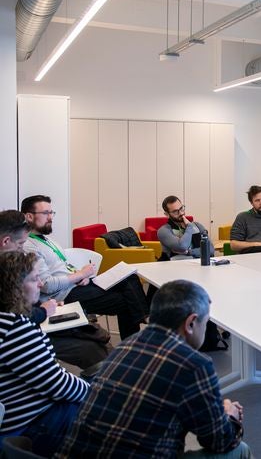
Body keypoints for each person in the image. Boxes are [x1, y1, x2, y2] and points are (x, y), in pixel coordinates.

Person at [56, 280, 250, 458]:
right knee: (240, 450)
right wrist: (229, 415)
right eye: (205, 323)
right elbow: (220, 441)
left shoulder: (125, 346)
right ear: (191, 323)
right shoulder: (194, 364)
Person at [21, 195, 149, 339]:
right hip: (63, 295)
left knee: (128, 277)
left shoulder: (48, 240)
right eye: (45, 213)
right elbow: (46, 285)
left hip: (75, 286)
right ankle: (144, 326)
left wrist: (81, 276)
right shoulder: (28, 246)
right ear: (29, 217)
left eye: (52, 213)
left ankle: (144, 320)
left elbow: (64, 267)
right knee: (126, 302)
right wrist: (79, 275)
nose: (50, 217)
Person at [0, 251, 90, 457]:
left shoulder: (6, 320)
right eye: (34, 279)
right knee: (102, 413)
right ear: (14, 287)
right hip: (27, 425)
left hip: (13, 415)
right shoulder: (15, 329)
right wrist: (96, 393)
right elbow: (57, 385)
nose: (41, 284)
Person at [0, 209, 110, 373]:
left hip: (31, 322)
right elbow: (10, 317)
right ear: (6, 241)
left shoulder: (11, 262)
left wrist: (43, 304)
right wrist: (43, 311)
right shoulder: (8, 266)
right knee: (91, 348)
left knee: (95, 337)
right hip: (21, 334)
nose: (23, 249)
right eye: (21, 244)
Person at [157, 195, 213, 260]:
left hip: (197, 266)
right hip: (175, 268)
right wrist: (189, 227)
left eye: (181, 208)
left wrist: (188, 252)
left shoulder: (197, 226)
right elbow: (182, 246)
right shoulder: (164, 231)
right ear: (167, 214)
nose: (181, 213)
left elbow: (210, 250)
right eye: (175, 211)